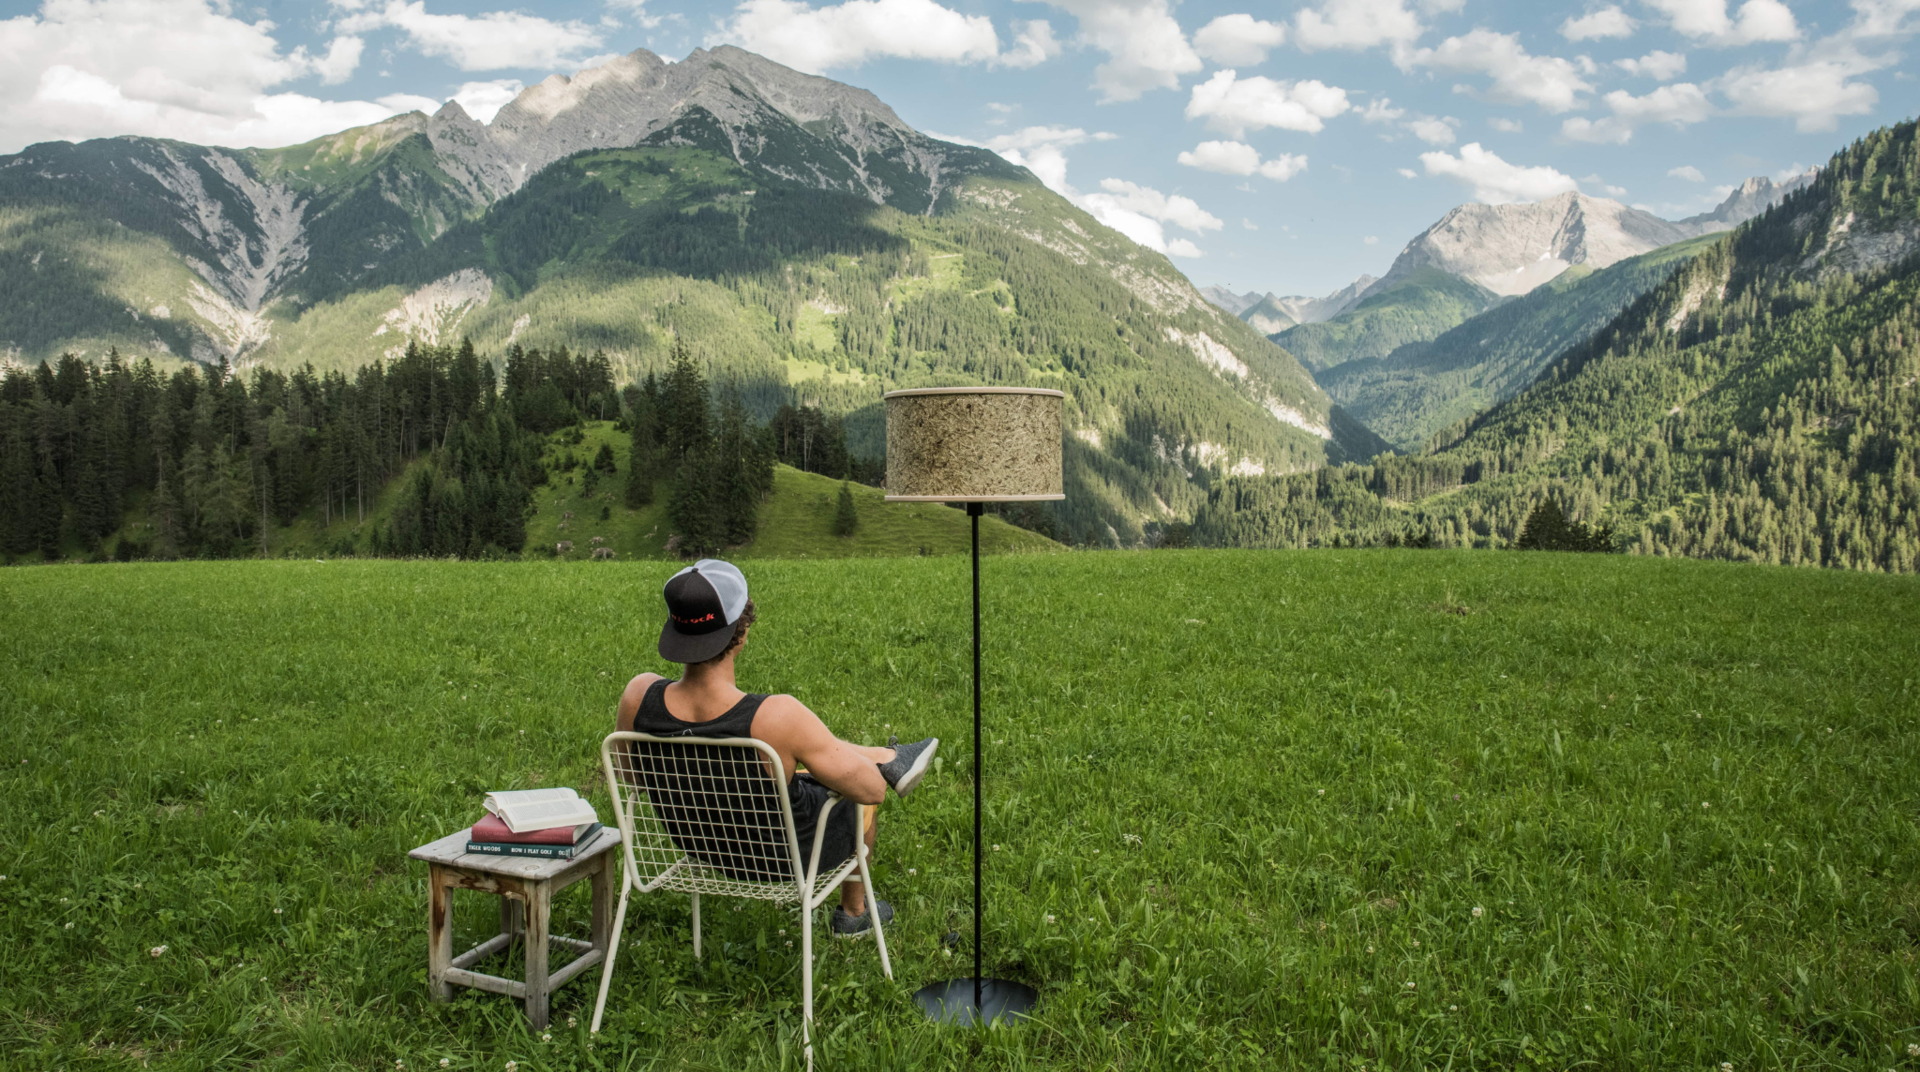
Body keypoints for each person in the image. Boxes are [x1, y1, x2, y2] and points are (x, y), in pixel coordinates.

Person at [616, 558, 937, 937]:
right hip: (787, 857)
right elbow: (872, 791)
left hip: (701, 847)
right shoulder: (774, 717)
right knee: (856, 795)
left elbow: (630, 775)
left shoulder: (639, 695)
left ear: (675, 630)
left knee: (793, 763)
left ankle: (881, 757)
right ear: (743, 631)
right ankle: (854, 914)